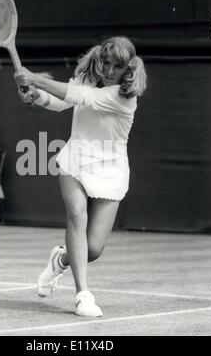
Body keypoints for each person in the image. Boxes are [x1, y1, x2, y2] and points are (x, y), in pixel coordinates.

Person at [14, 36, 147, 317]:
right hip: (75, 160)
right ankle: (82, 296)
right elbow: (61, 102)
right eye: (107, 63)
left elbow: (81, 98)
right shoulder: (86, 78)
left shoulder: (125, 96)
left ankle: (60, 259)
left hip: (111, 170)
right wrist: (36, 96)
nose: (110, 71)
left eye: (118, 66)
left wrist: (34, 78)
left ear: (129, 69)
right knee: (76, 214)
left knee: (94, 248)